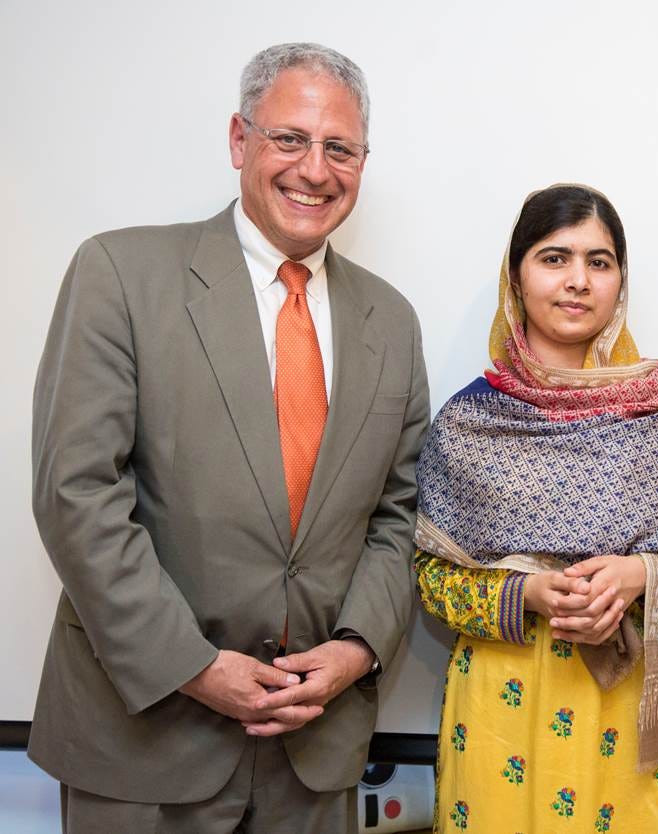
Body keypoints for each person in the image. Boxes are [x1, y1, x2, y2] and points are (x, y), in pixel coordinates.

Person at [30, 42, 429, 833]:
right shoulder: (120, 273)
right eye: (290, 138)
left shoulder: (391, 319)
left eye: (340, 148)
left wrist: (356, 651)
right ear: (239, 139)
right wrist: (194, 667)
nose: (314, 169)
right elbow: (76, 494)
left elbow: (398, 511)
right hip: (145, 743)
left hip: (315, 750)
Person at [413, 184, 658, 833]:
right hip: (500, 709)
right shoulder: (470, 421)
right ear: (516, 277)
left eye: (599, 262)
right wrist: (529, 593)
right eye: (554, 258)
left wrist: (638, 575)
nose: (577, 280)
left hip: (623, 718)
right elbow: (430, 579)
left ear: (619, 283)